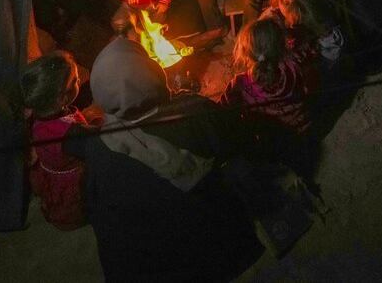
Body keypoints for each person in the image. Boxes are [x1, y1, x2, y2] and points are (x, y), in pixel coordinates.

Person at [64, 36, 260, 281]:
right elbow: (240, 140)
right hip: (210, 248)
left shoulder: (98, 146)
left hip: (147, 269)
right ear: (151, 72)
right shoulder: (194, 111)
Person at [20, 50, 90, 230]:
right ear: (62, 98)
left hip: (49, 173)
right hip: (73, 182)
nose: (80, 81)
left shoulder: (35, 115)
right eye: (75, 81)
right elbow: (93, 146)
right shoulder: (70, 133)